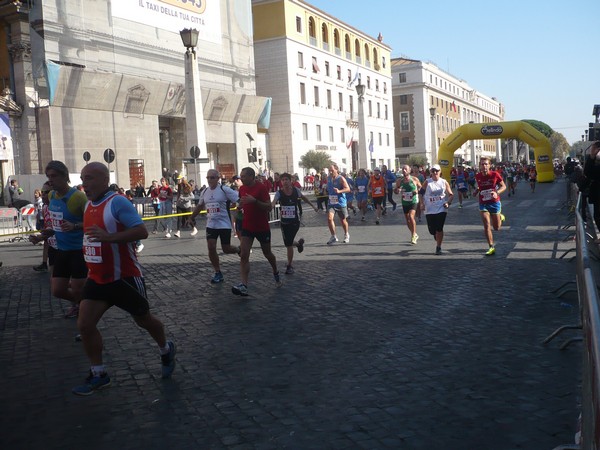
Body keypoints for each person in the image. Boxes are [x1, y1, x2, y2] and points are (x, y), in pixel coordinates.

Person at [72, 162, 176, 395]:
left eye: (88, 178)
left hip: (124, 277)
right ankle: (98, 373)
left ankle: (165, 348)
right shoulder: (89, 204)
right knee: (85, 325)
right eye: (82, 178)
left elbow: (142, 232)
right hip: (97, 279)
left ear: (103, 180)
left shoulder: (117, 201)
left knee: (144, 320)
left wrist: (109, 238)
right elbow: (92, 235)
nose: (84, 183)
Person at [42, 160, 88, 318]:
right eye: (48, 176)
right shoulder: (51, 195)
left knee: (77, 289)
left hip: (78, 251)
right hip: (62, 250)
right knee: (57, 290)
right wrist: (45, 234)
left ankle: (86, 311)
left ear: (64, 176)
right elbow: (57, 225)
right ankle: (84, 304)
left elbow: (94, 222)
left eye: (54, 176)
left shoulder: (79, 197)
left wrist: (75, 226)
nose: (50, 180)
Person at [232, 167, 281, 296]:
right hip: (247, 226)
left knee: (267, 253)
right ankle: (244, 285)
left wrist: (254, 201)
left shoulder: (261, 188)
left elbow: (269, 207)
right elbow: (241, 203)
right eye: (241, 176)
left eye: (243, 176)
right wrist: (239, 208)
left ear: (251, 177)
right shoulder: (242, 189)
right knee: (244, 254)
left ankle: (275, 270)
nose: (241, 178)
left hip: (261, 227)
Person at [190, 169, 240, 283]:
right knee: (211, 247)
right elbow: (200, 206)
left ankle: (238, 250)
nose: (209, 180)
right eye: (208, 178)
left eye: (212, 177)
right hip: (211, 224)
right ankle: (218, 272)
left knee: (226, 249)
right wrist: (191, 217)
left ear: (218, 178)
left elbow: (239, 200)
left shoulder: (224, 190)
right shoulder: (205, 191)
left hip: (224, 224)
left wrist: (239, 210)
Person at [272, 172, 318, 274]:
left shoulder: (296, 191)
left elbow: (304, 198)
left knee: (288, 244)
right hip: (284, 223)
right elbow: (273, 203)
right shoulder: (279, 193)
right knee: (289, 242)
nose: (284, 182)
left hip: (294, 222)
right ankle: (298, 244)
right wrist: (269, 207)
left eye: (286, 180)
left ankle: (289, 265)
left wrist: (313, 206)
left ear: (290, 181)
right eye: (282, 180)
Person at [473, 157, 507, 256]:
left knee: (496, 228)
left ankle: (500, 217)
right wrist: (476, 191)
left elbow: (504, 186)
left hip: (494, 203)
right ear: (480, 166)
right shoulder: (478, 176)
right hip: (483, 203)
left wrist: (497, 193)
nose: (484, 166)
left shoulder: (495, 174)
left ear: (489, 165)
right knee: (487, 225)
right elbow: (480, 186)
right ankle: (491, 247)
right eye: (482, 164)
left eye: (486, 164)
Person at [420, 164, 454, 255]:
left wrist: (448, 203)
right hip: (429, 209)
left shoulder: (444, 182)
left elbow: (451, 194)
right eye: (433, 171)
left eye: (437, 171)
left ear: (440, 172)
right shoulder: (427, 182)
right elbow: (420, 193)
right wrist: (422, 203)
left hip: (441, 208)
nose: (435, 173)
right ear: (431, 172)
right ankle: (436, 235)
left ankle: (438, 247)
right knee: (432, 231)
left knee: (439, 228)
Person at [30, 182, 57, 272]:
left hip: (64, 248)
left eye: (46, 192)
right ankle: (44, 263)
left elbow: (61, 229)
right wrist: (40, 237)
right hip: (52, 246)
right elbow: (49, 227)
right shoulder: (45, 207)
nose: (43, 194)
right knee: (54, 280)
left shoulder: (60, 206)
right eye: (42, 192)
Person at [395, 164, 422, 244]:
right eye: (403, 169)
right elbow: (396, 190)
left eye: (405, 169)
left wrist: (416, 191)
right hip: (405, 201)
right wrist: (397, 190)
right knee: (407, 220)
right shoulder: (400, 181)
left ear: (409, 170)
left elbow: (421, 187)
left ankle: (413, 235)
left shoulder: (414, 179)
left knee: (411, 216)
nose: (404, 170)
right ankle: (414, 233)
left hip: (413, 201)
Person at [325, 163, 351, 244]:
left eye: (332, 170)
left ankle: (346, 234)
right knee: (329, 218)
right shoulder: (328, 178)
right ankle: (333, 236)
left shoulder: (341, 178)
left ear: (336, 170)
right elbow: (328, 187)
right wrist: (325, 190)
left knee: (343, 220)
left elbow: (348, 189)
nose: (330, 172)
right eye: (329, 170)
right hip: (331, 202)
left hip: (340, 203)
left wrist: (339, 191)